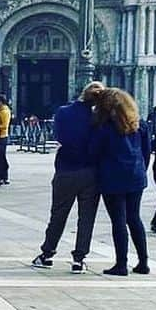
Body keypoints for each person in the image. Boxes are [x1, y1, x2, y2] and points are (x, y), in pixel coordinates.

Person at [31, 82, 105, 273]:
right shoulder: (99, 118)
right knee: (86, 218)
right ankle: (79, 259)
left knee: (58, 214)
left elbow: (58, 136)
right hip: (90, 173)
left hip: (65, 170)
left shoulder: (63, 112)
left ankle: (47, 254)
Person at [93, 87, 151, 276]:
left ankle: (121, 264)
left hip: (112, 177)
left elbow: (94, 152)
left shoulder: (104, 127)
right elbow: (147, 152)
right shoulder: (139, 125)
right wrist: (140, 169)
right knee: (134, 218)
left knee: (118, 219)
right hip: (136, 176)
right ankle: (143, 262)